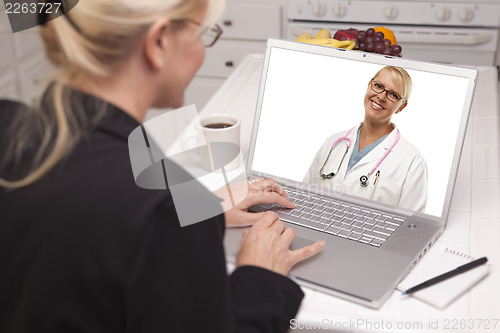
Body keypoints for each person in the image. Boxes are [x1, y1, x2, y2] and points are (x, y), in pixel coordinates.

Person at [0, 1, 324, 332]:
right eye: (202, 34)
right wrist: (260, 276)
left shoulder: (7, 124)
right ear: (158, 42)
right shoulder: (159, 214)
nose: (201, 51)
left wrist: (199, 206)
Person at [303, 66, 428, 212]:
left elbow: (411, 226)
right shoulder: (333, 143)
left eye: (393, 95)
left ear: (401, 107)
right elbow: (305, 197)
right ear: (369, 85)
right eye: (378, 86)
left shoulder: (413, 162)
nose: (381, 97)